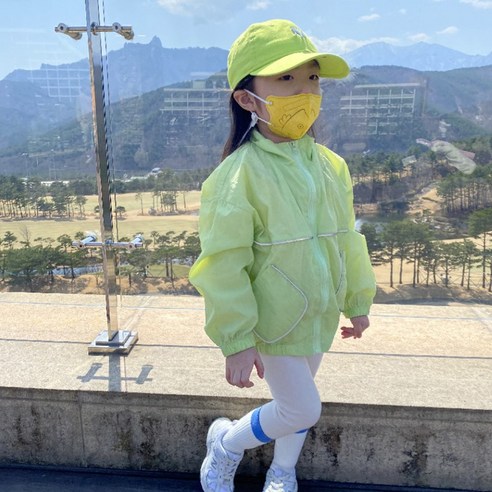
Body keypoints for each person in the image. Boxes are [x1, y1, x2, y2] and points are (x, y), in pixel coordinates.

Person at [189, 18, 376, 492]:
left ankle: (282, 470)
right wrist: (236, 337)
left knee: (299, 402)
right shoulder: (237, 177)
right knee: (301, 408)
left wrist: (356, 300)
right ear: (248, 99)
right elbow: (223, 263)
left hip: (318, 312)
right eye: (286, 78)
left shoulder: (332, 165)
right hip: (272, 320)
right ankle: (226, 444)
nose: (305, 90)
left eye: (312, 77)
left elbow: (347, 238)